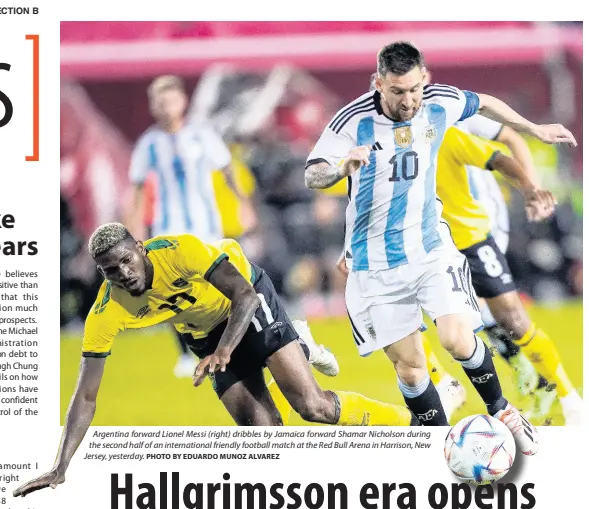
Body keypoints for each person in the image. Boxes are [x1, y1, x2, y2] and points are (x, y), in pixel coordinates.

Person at [305, 41, 576, 453]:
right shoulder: (350, 121)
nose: (408, 100)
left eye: (414, 89)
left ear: (424, 78)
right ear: (378, 83)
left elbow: (485, 103)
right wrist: (341, 167)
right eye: (397, 92)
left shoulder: (439, 103)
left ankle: (503, 411)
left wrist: (532, 130)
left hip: (430, 248)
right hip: (373, 264)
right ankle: (437, 446)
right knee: (412, 371)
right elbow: (314, 175)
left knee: (455, 337)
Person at [13, 223, 418, 498]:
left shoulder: (180, 251)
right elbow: (85, 395)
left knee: (313, 407)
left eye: (126, 261)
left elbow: (243, 294)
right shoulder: (107, 310)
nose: (123, 275)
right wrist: (60, 465)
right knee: (265, 439)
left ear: (140, 247)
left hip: (246, 300)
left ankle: (409, 424)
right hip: (205, 336)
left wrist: (225, 351)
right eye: (109, 271)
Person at [435, 125, 583, 425]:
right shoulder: (384, 130)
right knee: (466, 316)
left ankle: (548, 386)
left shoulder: (454, 109)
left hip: (479, 220)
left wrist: (533, 189)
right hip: (435, 231)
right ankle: (531, 379)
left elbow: (511, 138)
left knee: (493, 313)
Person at [126, 74, 258, 378]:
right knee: (173, 291)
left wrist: (244, 204)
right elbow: (136, 189)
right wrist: (136, 229)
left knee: (222, 285)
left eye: (170, 99)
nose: (166, 106)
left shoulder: (202, 135)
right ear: (152, 106)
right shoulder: (148, 144)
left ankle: (231, 343)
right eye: (159, 101)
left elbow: (227, 170)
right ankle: (187, 353)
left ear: (182, 102)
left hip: (205, 227)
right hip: (167, 229)